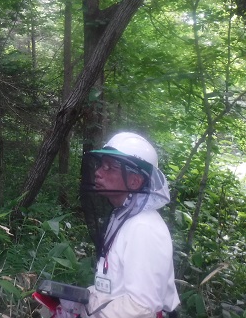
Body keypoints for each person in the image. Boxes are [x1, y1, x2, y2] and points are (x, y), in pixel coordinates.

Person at [46, 132, 180, 318]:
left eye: (109, 167)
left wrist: (88, 313)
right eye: (101, 164)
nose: (98, 172)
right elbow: (114, 286)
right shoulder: (122, 215)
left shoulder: (144, 227)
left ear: (135, 181)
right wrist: (84, 298)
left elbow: (142, 307)